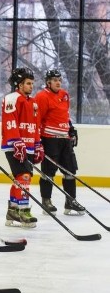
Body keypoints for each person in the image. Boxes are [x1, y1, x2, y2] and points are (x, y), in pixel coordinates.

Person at [35, 68, 84, 215]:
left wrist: (70, 128)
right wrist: (38, 140)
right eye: (55, 80)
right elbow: (37, 119)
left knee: (70, 171)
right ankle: (46, 201)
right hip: (49, 139)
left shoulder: (64, 95)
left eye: (59, 80)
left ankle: (70, 201)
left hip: (64, 140)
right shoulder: (42, 96)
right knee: (48, 172)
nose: (58, 82)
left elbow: (64, 115)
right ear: (48, 82)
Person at [1, 67, 41, 228]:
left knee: (22, 177)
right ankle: (24, 210)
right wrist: (16, 141)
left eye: (32, 83)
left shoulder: (33, 103)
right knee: (24, 176)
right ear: (19, 84)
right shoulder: (11, 98)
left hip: (29, 146)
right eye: (28, 83)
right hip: (15, 145)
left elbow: (36, 125)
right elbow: (9, 121)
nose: (31, 86)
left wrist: (38, 144)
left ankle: (13, 209)